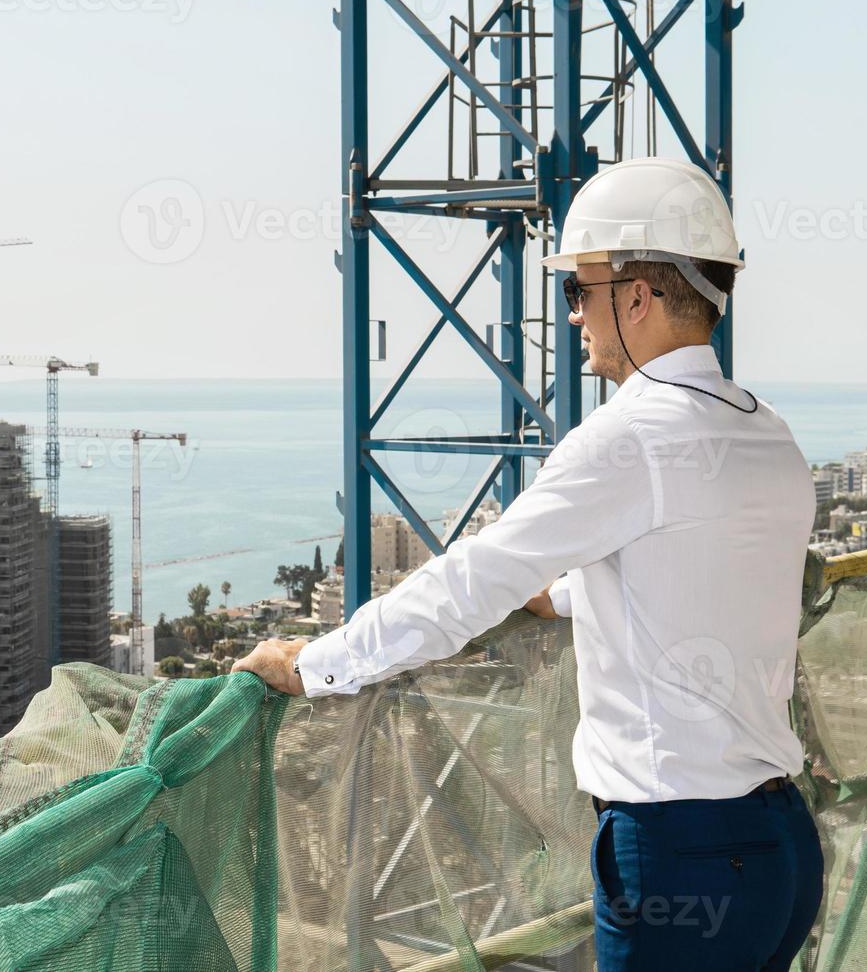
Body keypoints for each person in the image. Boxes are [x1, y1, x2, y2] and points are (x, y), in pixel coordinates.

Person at [233, 157, 824, 970]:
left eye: (580, 292)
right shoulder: (767, 434)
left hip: (678, 850)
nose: (574, 315)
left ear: (638, 297)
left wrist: (319, 665)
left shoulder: (629, 438)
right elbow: (704, 572)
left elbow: (470, 582)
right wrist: (578, 594)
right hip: (780, 851)